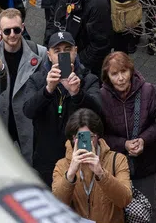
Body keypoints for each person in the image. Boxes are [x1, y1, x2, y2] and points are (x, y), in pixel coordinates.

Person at [23, 31, 101, 185]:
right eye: (57, 51)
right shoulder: (38, 79)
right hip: (46, 158)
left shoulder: (88, 79)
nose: (62, 55)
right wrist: (47, 90)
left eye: (67, 50)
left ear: (75, 51)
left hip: (79, 154)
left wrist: (77, 94)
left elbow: (98, 112)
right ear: (49, 55)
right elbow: (28, 110)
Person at [97, 52, 156, 221]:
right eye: (114, 74)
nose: (120, 78)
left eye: (124, 72)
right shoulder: (102, 97)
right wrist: (123, 144)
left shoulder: (148, 91)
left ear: (131, 71)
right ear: (107, 76)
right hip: (116, 165)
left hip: (146, 164)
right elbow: (100, 135)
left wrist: (144, 140)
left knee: (150, 207)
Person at [52, 108, 134, 223]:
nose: (85, 142)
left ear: (98, 136)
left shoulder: (118, 160)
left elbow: (125, 200)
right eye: (78, 138)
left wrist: (101, 174)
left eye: (90, 137)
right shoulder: (62, 165)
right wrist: (70, 174)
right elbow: (57, 206)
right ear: (72, 138)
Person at [0, 9, 49, 166]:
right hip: (1, 120)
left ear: (23, 28)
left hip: (29, 123)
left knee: (31, 166)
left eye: (16, 29)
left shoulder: (40, 53)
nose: (12, 34)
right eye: (7, 30)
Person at [50, 0, 114, 76]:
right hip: (63, 55)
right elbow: (52, 20)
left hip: (81, 66)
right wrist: (51, 46)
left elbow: (99, 46)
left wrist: (77, 67)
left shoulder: (97, 4)